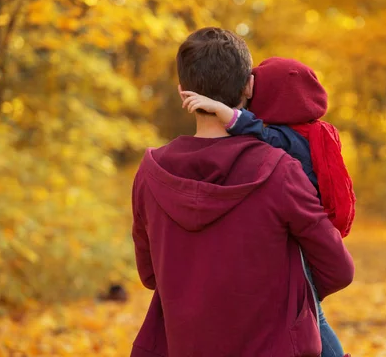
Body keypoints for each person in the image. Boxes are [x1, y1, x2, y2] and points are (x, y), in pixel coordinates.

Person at [130, 27, 354, 357]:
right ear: (249, 85)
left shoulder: (151, 173)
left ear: (182, 91)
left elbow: (150, 275)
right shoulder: (280, 169)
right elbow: (338, 270)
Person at [181, 57, 356, 357]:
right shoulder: (312, 132)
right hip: (302, 236)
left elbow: (261, 134)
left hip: (299, 244)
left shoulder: (291, 140)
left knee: (314, 317)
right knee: (309, 315)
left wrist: (227, 113)